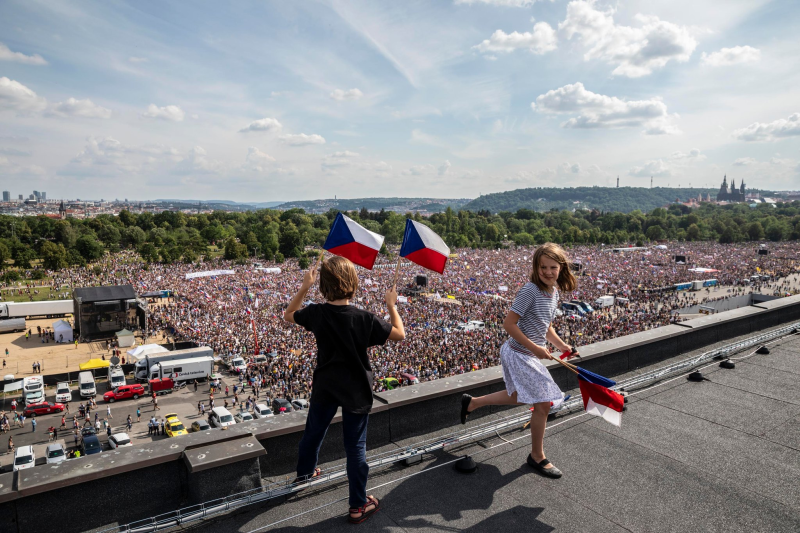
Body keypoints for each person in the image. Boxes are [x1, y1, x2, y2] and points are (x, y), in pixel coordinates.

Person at [284, 255, 405, 524]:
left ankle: (305, 474)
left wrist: (304, 287)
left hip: (325, 385)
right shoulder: (364, 318)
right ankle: (358, 505)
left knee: (313, 433)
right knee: (355, 448)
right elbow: (400, 334)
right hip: (355, 389)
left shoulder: (316, 312)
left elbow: (288, 314)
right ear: (353, 282)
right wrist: (391, 305)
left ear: (323, 285)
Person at [461, 243, 577, 479]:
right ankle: (537, 456)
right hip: (518, 353)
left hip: (528, 353)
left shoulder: (554, 292)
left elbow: (546, 326)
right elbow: (509, 324)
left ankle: (472, 403)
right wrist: (535, 348)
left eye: (552, 267)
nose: (548, 272)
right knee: (543, 404)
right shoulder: (530, 290)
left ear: (561, 268)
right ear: (536, 267)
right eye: (543, 267)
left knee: (523, 395)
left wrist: (562, 346)